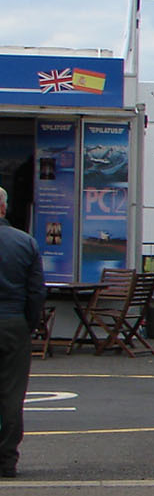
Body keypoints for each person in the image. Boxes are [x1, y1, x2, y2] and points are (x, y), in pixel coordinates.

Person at [0, 186, 46, 478]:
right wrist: (27, 323)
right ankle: (6, 459)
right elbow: (36, 292)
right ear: (3, 208)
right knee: (12, 395)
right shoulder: (24, 242)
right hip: (12, 321)